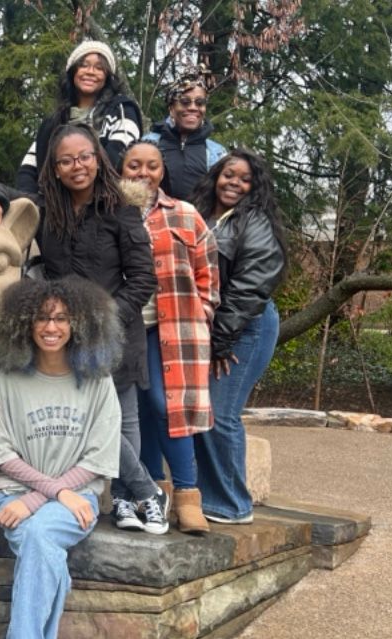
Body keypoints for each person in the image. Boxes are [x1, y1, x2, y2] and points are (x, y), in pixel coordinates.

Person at [0, 124, 169, 534]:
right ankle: (148, 491)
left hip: (114, 331)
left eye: (84, 156)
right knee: (88, 420)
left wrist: (102, 321)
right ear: (55, 167)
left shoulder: (121, 206)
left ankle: (124, 498)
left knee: (122, 421)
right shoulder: (47, 204)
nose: (76, 166)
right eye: (66, 160)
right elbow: (5, 191)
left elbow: (142, 278)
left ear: (98, 157)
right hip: (62, 333)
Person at [0, 276, 122, 639]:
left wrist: (42, 498)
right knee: (44, 552)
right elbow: (1, 454)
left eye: (61, 319)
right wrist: (49, 493)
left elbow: (96, 457)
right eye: (42, 318)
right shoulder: (9, 379)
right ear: (25, 323)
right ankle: (56, 583)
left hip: (77, 500)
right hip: (16, 493)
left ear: (80, 324)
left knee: (39, 534)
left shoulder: (98, 381)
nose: (51, 327)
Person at [120, 140, 219, 534]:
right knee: (139, 412)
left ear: (163, 171)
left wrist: (202, 313)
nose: (143, 172)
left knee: (169, 406)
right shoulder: (110, 212)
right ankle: (152, 493)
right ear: (120, 168)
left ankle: (187, 494)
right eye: (134, 165)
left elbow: (207, 274)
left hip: (175, 329)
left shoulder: (185, 214)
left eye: (152, 165)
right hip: (128, 329)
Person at [188, 148, 287, 524]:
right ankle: (207, 496)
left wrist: (222, 340)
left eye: (245, 179)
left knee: (221, 412)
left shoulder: (253, 221)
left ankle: (232, 504)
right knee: (204, 412)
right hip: (215, 327)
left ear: (254, 186)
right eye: (230, 174)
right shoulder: (202, 214)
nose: (235, 183)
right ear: (217, 175)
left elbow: (250, 286)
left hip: (246, 326)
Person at [16, 40, 142, 194]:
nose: (90, 71)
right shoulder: (54, 120)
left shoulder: (122, 110)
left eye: (99, 68)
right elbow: (30, 166)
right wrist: (30, 203)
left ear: (108, 76)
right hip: (54, 207)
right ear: (73, 71)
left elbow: (120, 155)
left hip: (104, 204)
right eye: (83, 65)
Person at [142, 71, 227, 201]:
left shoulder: (217, 153)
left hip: (199, 220)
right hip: (153, 218)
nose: (193, 108)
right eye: (185, 102)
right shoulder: (148, 143)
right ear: (171, 108)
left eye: (200, 103)